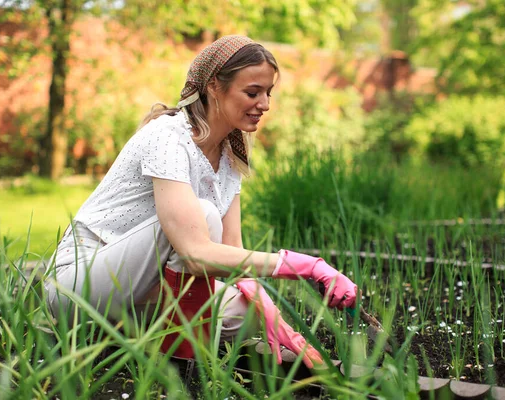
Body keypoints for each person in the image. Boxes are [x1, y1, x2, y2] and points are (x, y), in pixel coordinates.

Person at [44, 35, 358, 369]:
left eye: (268, 93)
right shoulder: (167, 137)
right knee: (202, 216)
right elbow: (194, 253)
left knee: (247, 313)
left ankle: (129, 333)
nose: (264, 104)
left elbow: (233, 252)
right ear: (213, 87)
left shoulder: (230, 156)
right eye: (252, 92)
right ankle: (176, 364)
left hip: (145, 289)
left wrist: (280, 323)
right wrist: (303, 266)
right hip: (79, 285)